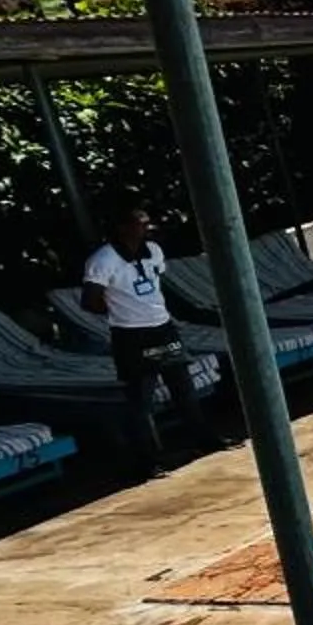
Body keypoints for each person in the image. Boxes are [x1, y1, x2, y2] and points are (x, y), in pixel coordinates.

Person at [79, 203, 211, 477]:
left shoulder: (153, 251)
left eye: (146, 223)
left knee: (183, 387)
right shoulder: (103, 260)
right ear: (122, 227)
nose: (146, 228)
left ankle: (203, 441)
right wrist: (122, 309)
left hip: (162, 327)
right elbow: (90, 301)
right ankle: (147, 461)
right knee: (140, 400)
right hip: (131, 335)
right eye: (140, 223)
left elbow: (156, 280)